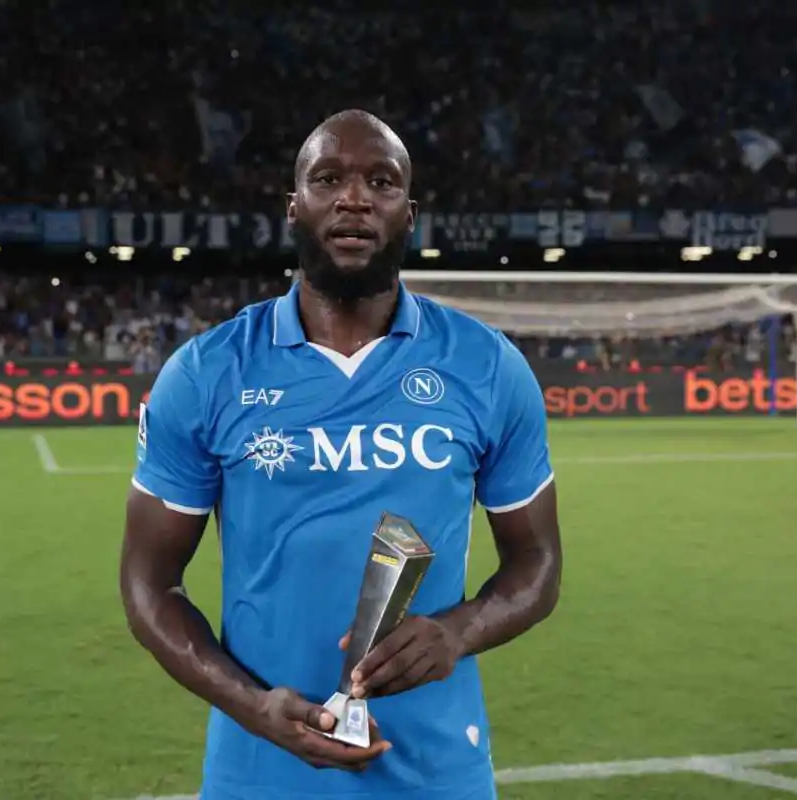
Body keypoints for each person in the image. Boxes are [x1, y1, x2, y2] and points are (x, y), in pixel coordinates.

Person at [120, 110, 562, 800]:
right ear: (294, 207)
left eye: (381, 182)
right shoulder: (208, 372)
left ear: (409, 214)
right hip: (259, 772)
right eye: (328, 179)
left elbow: (538, 563)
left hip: (437, 772)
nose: (354, 198)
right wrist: (252, 708)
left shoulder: (487, 367)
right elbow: (149, 583)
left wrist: (458, 631)